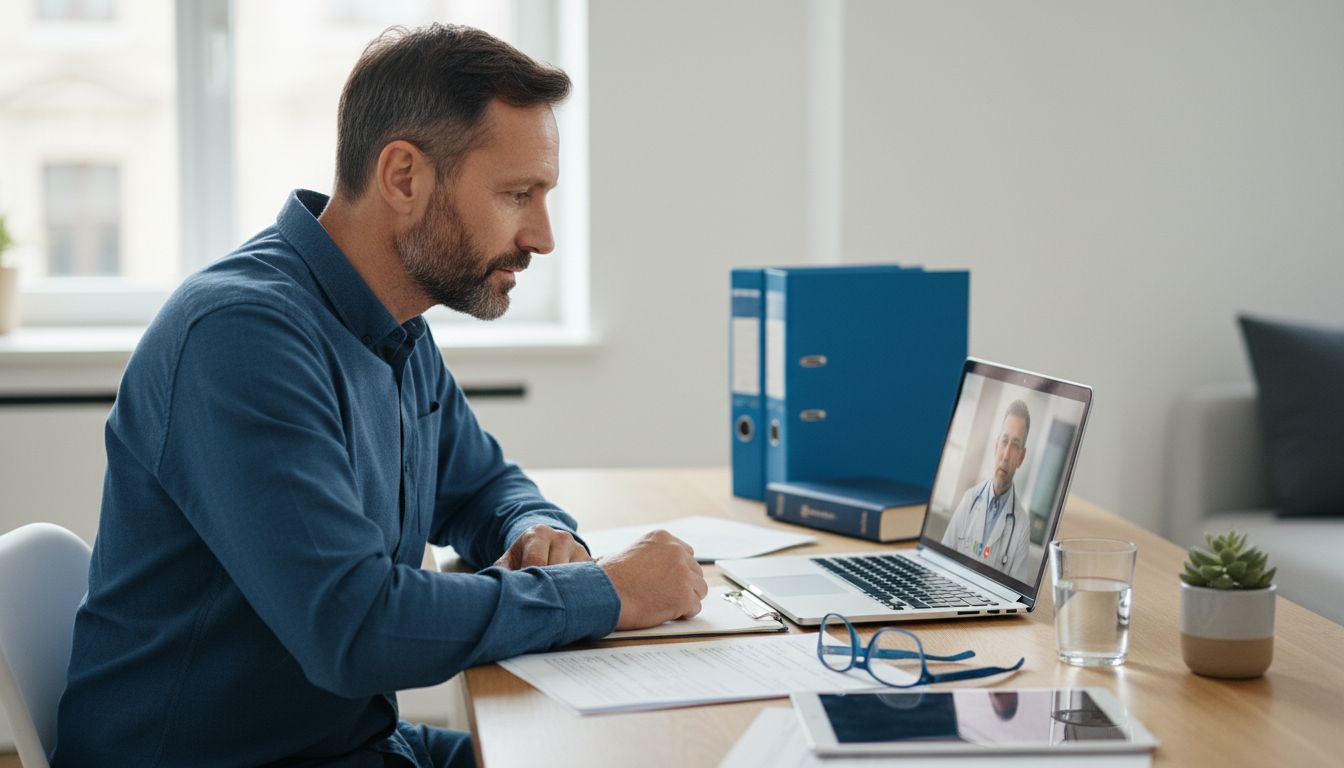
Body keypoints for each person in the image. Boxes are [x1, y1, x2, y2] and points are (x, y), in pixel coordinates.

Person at [52, 24, 707, 768]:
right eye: (517, 195)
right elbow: (354, 629)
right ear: (403, 177)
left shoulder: (394, 326)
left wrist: (531, 529)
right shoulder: (241, 338)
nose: (543, 235)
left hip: (349, 746)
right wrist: (606, 592)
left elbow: (481, 485)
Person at [940, 400, 1033, 583]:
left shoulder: (1021, 526)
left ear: (1021, 458)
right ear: (996, 445)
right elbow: (940, 562)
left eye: (1015, 445)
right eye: (1004, 441)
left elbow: (1016, 597)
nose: (1006, 455)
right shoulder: (970, 499)